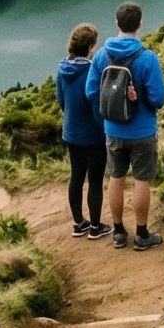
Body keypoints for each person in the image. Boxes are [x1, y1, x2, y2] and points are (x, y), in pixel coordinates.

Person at [83, 0, 164, 250]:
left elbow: (90, 92)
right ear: (140, 25)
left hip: (113, 129)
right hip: (142, 130)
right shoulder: (147, 58)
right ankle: (142, 235)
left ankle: (118, 232)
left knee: (116, 178)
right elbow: (159, 99)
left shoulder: (101, 55)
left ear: (117, 24)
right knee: (142, 180)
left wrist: (111, 105)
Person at [57, 23, 108, 239]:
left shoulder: (62, 69)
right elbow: (96, 103)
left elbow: (61, 100)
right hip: (94, 133)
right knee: (95, 180)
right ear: (89, 46)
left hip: (71, 132)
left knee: (76, 176)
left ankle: (78, 224)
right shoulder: (92, 70)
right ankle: (95, 227)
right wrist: (104, 127)